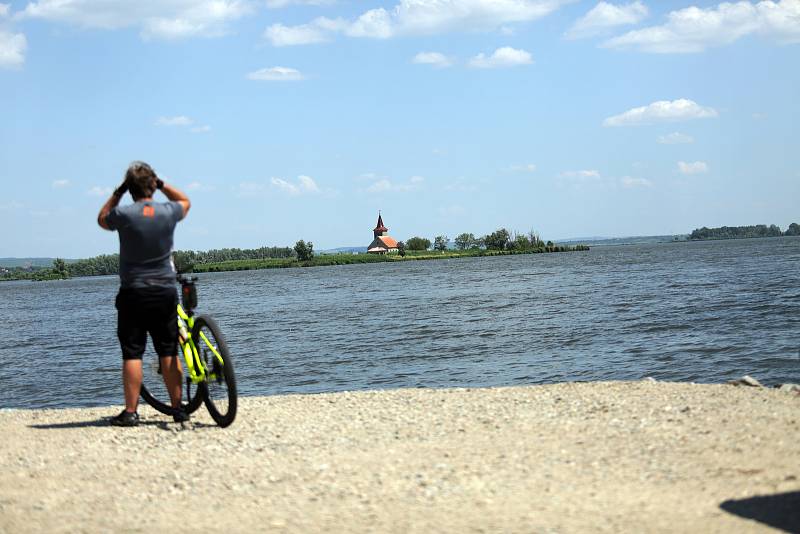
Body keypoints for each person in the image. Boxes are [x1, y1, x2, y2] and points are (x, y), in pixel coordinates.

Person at [97, 161, 191, 427]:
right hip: (163, 290)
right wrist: (161, 184)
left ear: (130, 189)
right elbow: (185, 201)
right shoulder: (168, 211)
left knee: (132, 353)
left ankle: (130, 412)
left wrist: (118, 192)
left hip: (134, 292)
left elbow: (102, 218)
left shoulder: (124, 215)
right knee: (169, 350)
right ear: (152, 185)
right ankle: (178, 408)